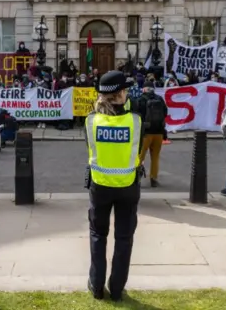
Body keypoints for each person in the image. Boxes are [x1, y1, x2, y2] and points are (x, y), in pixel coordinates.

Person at [84, 70, 143, 302]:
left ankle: (96, 286)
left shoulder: (91, 121)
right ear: (119, 94)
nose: (128, 94)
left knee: (98, 235)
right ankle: (117, 289)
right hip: (128, 186)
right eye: (126, 91)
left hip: (100, 186)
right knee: (124, 238)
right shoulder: (135, 120)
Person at [136, 82, 168, 187]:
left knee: (140, 156)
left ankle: (136, 178)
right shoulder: (159, 99)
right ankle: (153, 179)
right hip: (159, 132)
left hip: (146, 133)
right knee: (155, 157)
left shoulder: (141, 99)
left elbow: (137, 115)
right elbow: (165, 112)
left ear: (144, 89)